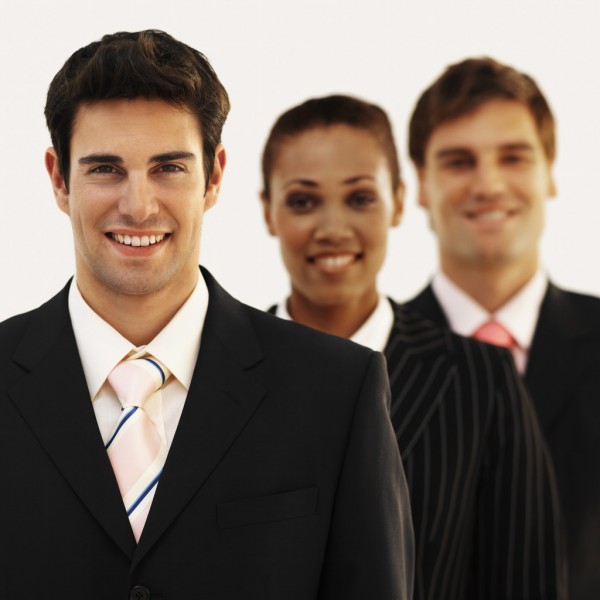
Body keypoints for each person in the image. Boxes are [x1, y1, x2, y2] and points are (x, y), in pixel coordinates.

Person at [0, 31, 414, 599]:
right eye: (105, 169)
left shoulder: (338, 392)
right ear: (58, 178)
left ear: (214, 176)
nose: (138, 205)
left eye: (168, 167)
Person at [260, 94, 566, 599]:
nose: (333, 229)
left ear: (400, 201)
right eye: (302, 201)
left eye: (360, 198)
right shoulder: (212, 371)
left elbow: (523, 580)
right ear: (268, 211)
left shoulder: (479, 380)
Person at [405, 56, 600, 599]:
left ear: (550, 172)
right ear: (420, 183)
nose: (488, 184)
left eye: (513, 157)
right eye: (459, 161)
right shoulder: (363, 359)